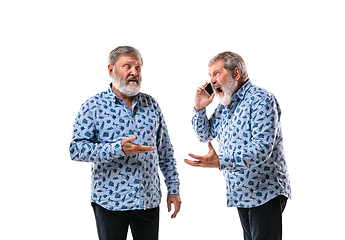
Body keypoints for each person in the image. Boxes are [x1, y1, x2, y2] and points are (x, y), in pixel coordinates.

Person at [69, 46, 181, 240]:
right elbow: (76, 149)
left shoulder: (151, 104)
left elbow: (165, 151)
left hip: (148, 200)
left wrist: (174, 189)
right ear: (111, 70)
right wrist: (117, 149)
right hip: (109, 202)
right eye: (127, 66)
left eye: (138, 67)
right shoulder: (93, 106)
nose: (134, 72)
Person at [184, 51, 291, 240]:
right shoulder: (225, 106)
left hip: (265, 191)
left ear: (236, 74)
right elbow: (205, 134)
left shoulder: (261, 100)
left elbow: (262, 149)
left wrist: (220, 161)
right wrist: (199, 109)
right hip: (241, 192)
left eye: (216, 73)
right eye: (209, 75)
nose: (211, 81)